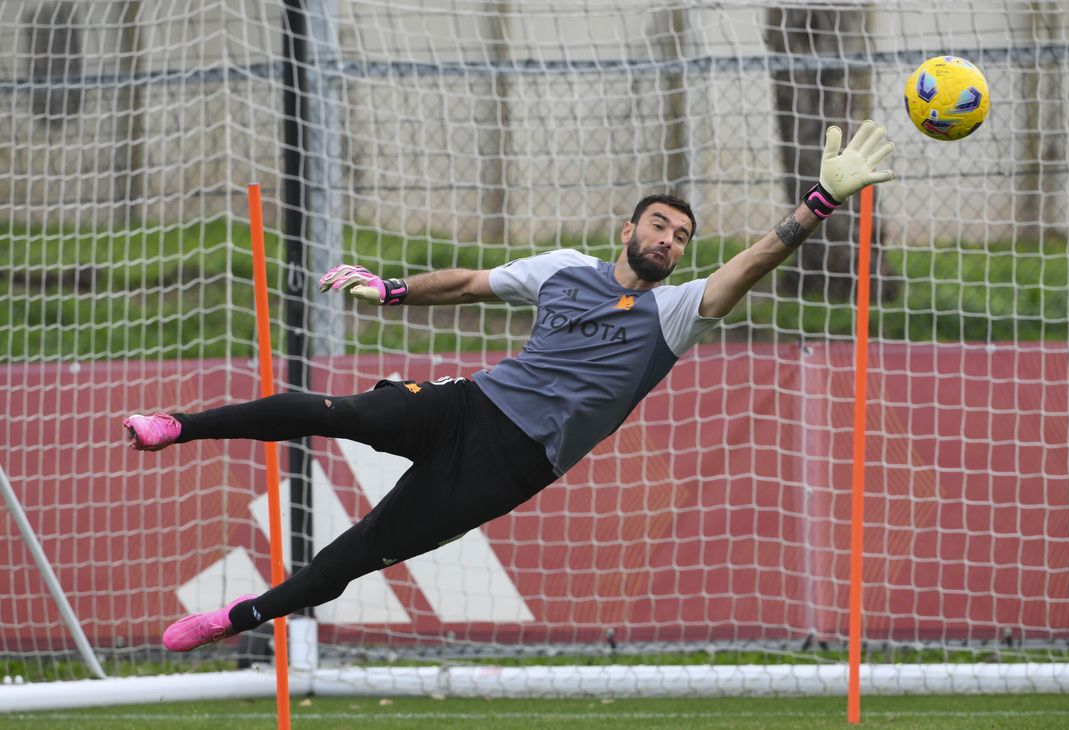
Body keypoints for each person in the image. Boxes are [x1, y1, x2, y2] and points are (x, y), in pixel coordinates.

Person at [125, 120, 895, 652]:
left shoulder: (675, 312)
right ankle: (177, 426)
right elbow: (466, 283)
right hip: (470, 403)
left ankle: (238, 616)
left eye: (683, 236)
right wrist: (392, 291)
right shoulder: (562, 270)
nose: (670, 240)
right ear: (626, 231)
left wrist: (818, 203)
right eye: (659, 225)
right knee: (339, 410)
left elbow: (752, 262)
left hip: (513, 464)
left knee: (363, 551)